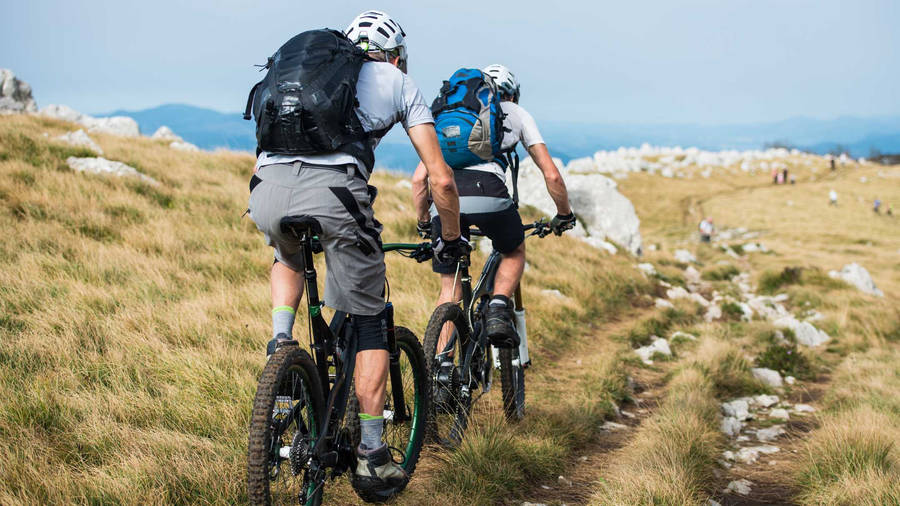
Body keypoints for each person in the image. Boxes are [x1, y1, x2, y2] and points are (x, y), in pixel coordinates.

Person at [248, 10, 465, 500]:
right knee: (370, 321)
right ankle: (370, 454)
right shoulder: (396, 81)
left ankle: (281, 342)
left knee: (287, 256)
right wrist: (447, 239)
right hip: (334, 195)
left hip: (266, 192)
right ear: (395, 54)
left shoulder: (304, 73)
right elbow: (441, 178)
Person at [412, 63, 575, 348]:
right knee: (513, 249)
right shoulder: (517, 113)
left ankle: (440, 369)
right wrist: (564, 214)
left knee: (450, 289)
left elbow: (418, 181)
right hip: (490, 194)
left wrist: (425, 221)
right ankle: (499, 306)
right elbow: (551, 174)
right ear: (512, 95)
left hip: (445, 200)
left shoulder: (450, 117)